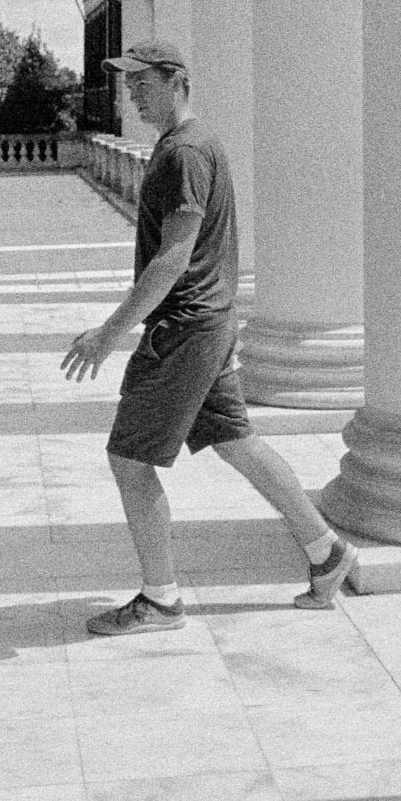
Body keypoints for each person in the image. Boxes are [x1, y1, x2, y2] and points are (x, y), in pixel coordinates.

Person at [62, 40, 358, 633]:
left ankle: (160, 599)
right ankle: (326, 552)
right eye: (129, 85)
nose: (133, 95)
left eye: (144, 83)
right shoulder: (190, 145)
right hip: (209, 321)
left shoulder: (185, 153)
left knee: (129, 458)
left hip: (185, 328)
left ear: (177, 82)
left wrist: (110, 333)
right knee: (236, 440)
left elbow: (174, 256)